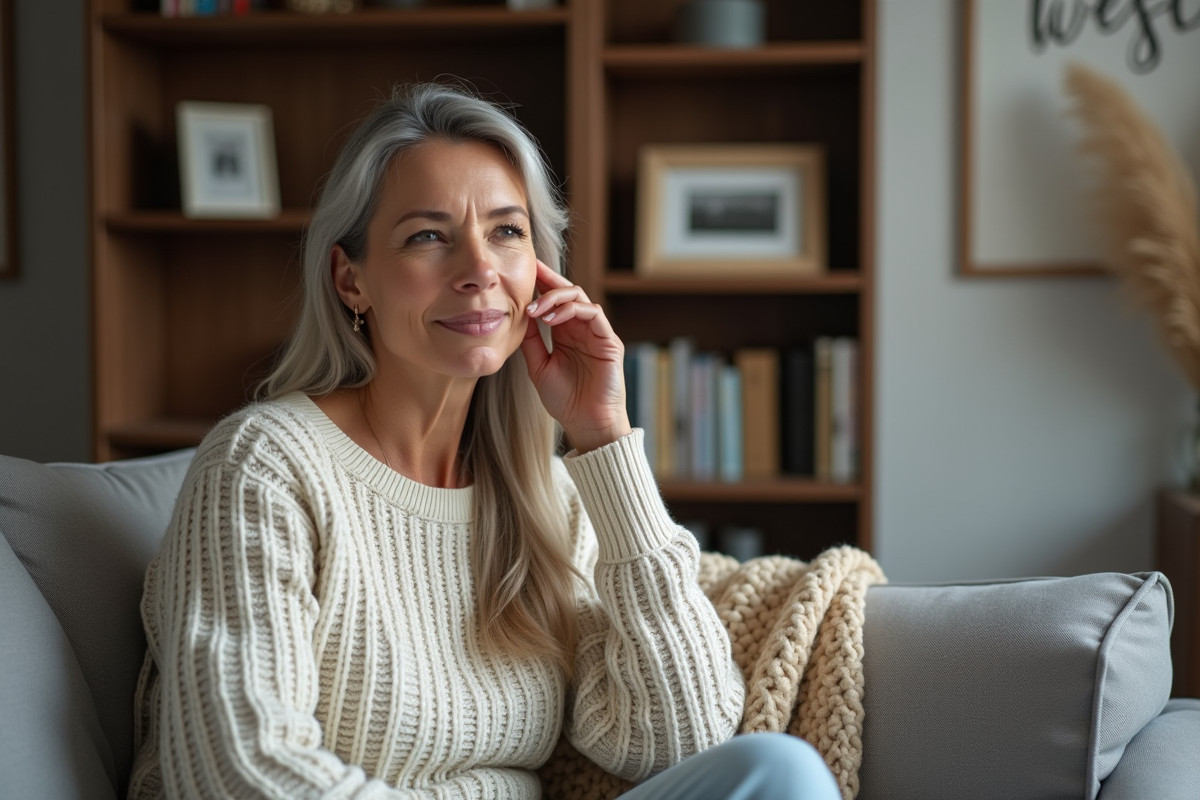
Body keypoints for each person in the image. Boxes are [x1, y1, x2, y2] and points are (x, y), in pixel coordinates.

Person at [127, 83, 840, 800]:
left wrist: (605, 439)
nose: (479, 271)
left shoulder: (543, 495)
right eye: (428, 236)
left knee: (778, 773)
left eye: (506, 231)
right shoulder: (265, 464)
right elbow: (236, 773)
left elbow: (680, 738)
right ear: (351, 281)